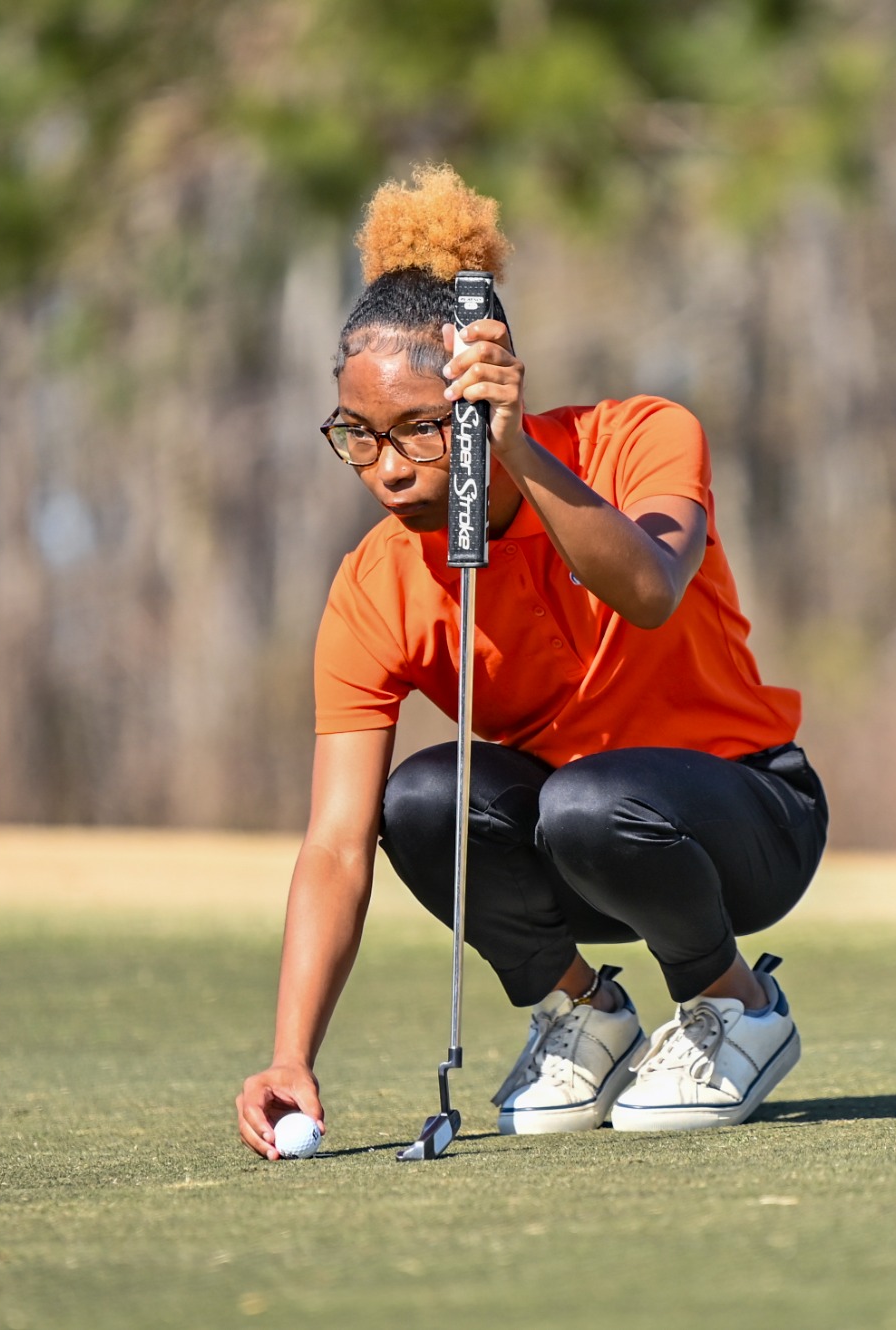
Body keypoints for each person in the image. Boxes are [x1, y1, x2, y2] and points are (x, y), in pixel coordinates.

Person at [236, 166, 827, 1159]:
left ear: (483, 396)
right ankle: (581, 1014)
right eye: (358, 435)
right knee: (420, 801)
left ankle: (736, 1004)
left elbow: (645, 590)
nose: (385, 467)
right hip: (579, 842)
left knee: (588, 800)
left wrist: (517, 456)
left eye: (419, 428)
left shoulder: (641, 437)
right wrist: (291, 1051)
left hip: (745, 822)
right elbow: (337, 844)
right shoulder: (371, 587)